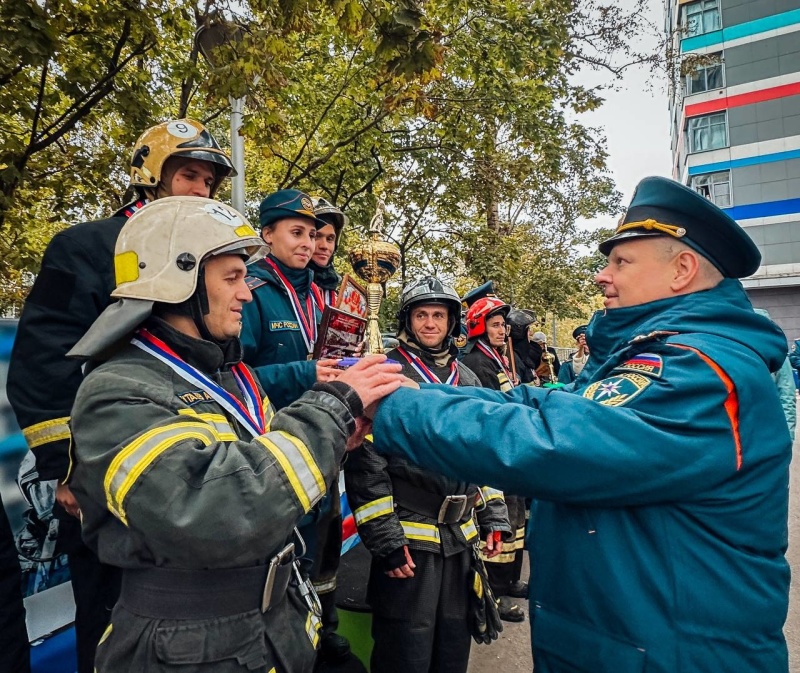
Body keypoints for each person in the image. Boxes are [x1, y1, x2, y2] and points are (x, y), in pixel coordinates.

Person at [366, 176, 792, 672]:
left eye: (620, 262)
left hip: (674, 651)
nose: (601, 276)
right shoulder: (661, 354)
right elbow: (549, 404)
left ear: (682, 270)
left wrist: (394, 409)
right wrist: (419, 393)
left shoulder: (699, 370)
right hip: (638, 638)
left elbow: (552, 444)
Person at [66, 196, 404, 672]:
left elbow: (269, 461)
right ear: (178, 285)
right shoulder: (118, 391)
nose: (247, 292)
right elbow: (213, 511)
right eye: (232, 278)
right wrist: (334, 405)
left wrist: (338, 436)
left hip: (266, 626)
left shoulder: (229, 374)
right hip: (188, 647)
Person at [6, 118, 235, 673]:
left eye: (209, 181)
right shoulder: (84, 248)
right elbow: (41, 368)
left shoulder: (209, 258)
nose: (200, 191)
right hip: (111, 476)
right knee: (111, 626)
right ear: (148, 179)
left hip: (192, 471)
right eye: (188, 176)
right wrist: (68, 471)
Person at [345, 276, 511, 673]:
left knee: (453, 647)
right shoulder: (387, 374)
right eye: (422, 315)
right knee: (406, 649)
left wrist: (492, 516)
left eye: (439, 315)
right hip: (410, 544)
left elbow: (485, 452)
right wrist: (385, 539)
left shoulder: (467, 379)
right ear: (408, 320)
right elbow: (367, 464)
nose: (431, 323)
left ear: (452, 322)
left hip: (461, 541)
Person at [460, 297, 527, 622]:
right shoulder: (476, 362)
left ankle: (510, 580)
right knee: (497, 523)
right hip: (494, 453)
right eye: (497, 324)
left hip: (510, 448)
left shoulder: (498, 359)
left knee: (515, 517)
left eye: (504, 325)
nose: (504, 330)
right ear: (479, 327)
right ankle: (495, 593)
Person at [507, 309, 539, 385]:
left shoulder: (522, 356)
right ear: (522, 334)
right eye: (528, 330)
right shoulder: (513, 359)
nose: (531, 333)